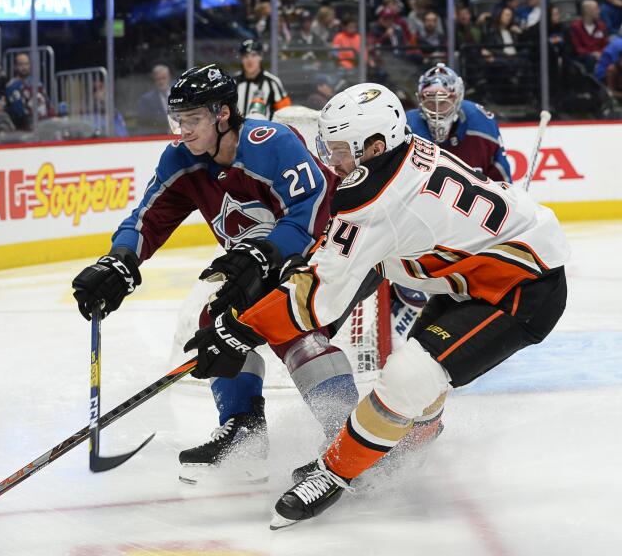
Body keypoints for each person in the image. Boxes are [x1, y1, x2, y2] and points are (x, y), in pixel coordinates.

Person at [183, 82, 570, 528]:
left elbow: (317, 301)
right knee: (421, 374)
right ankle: (399, 457)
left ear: (374, 145)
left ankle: (335, 472)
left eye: (342, 150)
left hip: (521, 288)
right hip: (475, 269)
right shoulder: (401, 154)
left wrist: (238, 328)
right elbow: (371, 254)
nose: (333, 162)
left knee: (411, 374)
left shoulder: (373, 197)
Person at [72, 65, 372, 485]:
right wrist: (121, 260)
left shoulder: (272, 143)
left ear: (223, 114)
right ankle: (244, 435)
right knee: (217, 321)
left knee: (285, 321)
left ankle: (353, 441)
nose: (183, 130)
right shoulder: (182, 160)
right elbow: (149, 217)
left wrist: (264, 254)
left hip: (338, 251)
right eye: (179, 120)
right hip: (271, 261)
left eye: (193, 119)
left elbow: (315, 207)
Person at [407, 63, 511, 183]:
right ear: (420, 99)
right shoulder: (406, 128)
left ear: (457, 98)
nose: (437, 110)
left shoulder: (481, 126)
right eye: (430, 100)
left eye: (443, 101)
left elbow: (504, 186)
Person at [234, 39, 291, 120]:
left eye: (253, 55)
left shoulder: (272, 82)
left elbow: (285, 114)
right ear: (241, 59)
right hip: (236, 131)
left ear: (260, 57)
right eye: (245, 56)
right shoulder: (233, 82)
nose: (249, 60)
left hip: (263, 131)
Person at [5, 52, 52, 130]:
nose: (24, 67)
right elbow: (19, 112)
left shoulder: (37, 83)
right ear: (15, 66)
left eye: (26, 64)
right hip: (24, 124)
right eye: (21, 64)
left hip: (43, 120)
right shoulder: (12, 86)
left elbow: (47, 104)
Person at [569, 0, 610, 75]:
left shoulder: (601, 25)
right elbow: (578, 48)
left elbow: (605, 44)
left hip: (600, 55)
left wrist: (600, 53)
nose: (599, 11)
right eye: (596, 9)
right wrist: (593, 53)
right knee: (590, 59)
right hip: (584, 57)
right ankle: (590, 83)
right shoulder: (575, 26)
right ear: (587, 11)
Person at [136, 64, 172, 135]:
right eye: (158, 79)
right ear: (154, 80)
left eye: (164, 78)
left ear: (169, 78)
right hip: (157, 137)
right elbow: (144, 121)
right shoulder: (146, 100)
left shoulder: (179, 95)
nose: (161, 82)